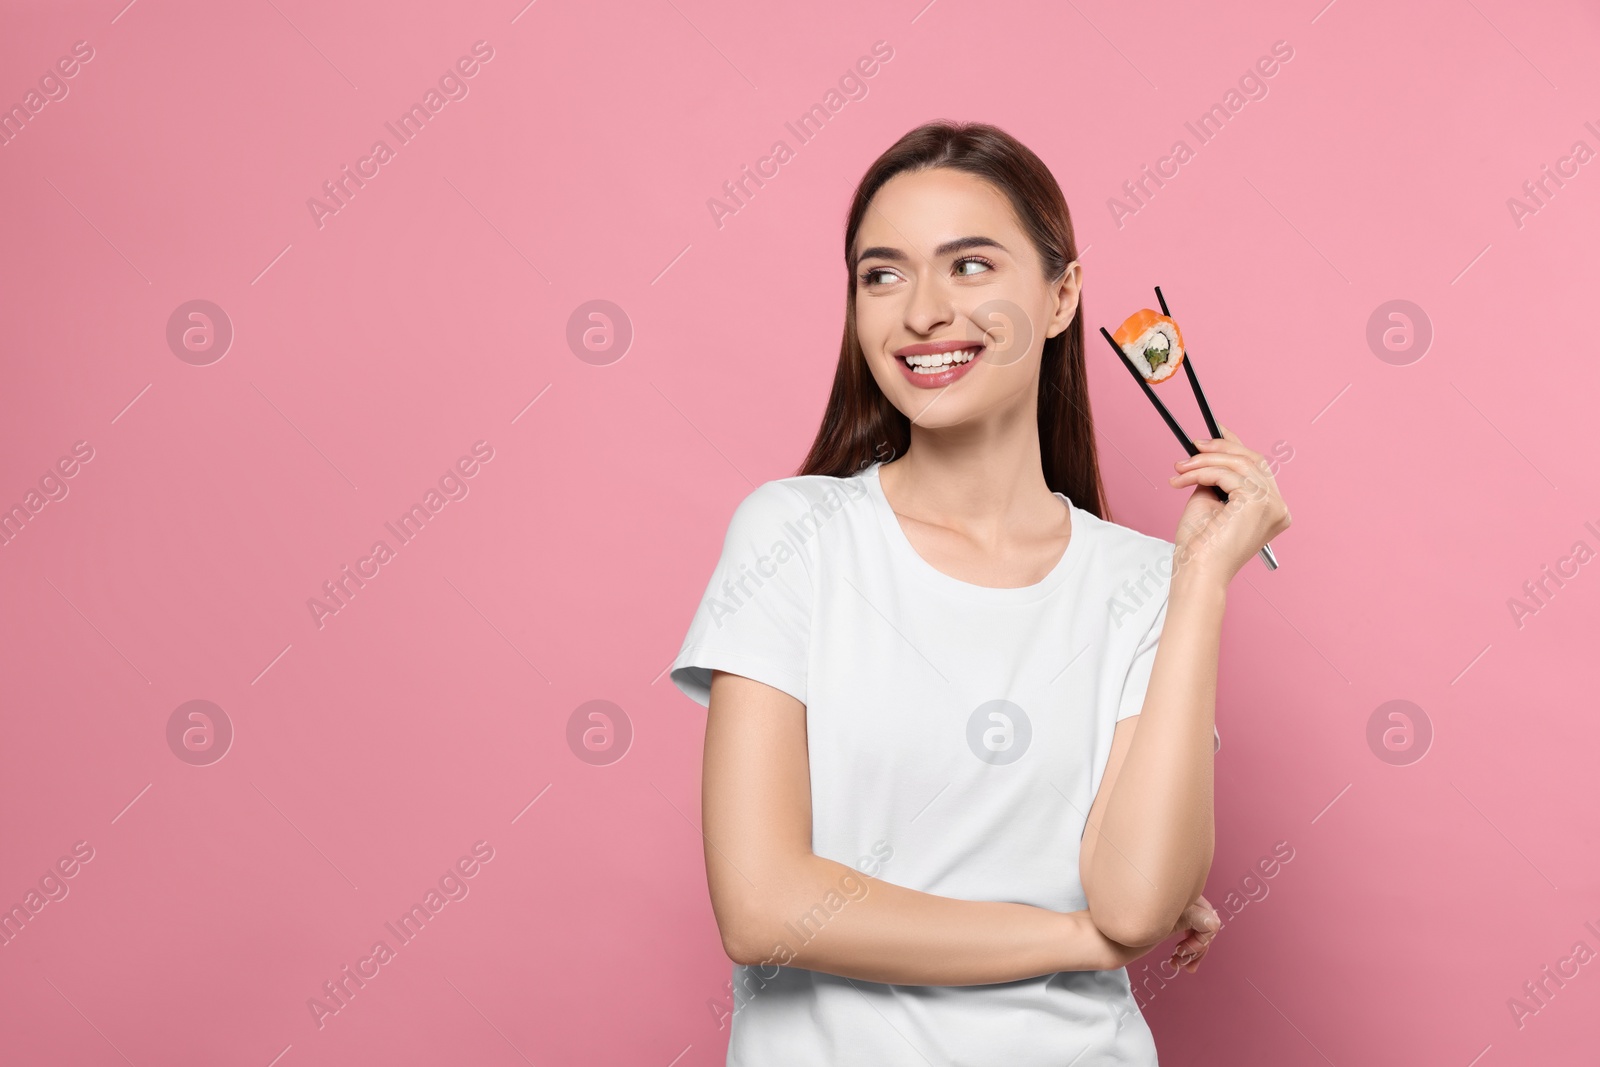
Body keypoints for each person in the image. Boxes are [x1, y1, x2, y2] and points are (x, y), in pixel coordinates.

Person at [669, 120, 1291, 1066]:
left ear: (1060, 296)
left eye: (969, 266)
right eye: (883, 275)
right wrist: (1079, 939)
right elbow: (764, 909)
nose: (921, 311)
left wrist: (1199, 579)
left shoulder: (1138, 581)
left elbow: (1136, 896)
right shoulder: (795, 534)